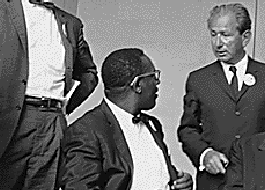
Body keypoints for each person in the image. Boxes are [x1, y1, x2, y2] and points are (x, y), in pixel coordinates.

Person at [0, 0, 98, 190]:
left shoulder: (71, 24)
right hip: (4, 123)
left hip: (52, 126)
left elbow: (89, 75)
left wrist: (64, 108)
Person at [177, 3, 265, 190]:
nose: (218, 43)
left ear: (245, 37)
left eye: (225, 35)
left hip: (259, 180)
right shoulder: (198, 79)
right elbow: (187, 129)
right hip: (214, 182)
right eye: (213, 34)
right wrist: (204, 154)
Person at [60, 48, 193, 190]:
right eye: (153, 76)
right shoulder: (85, 131)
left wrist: (179, 182)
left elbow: (152, 174)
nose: (157, 82)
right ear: (138, 85)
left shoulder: (153, 125)